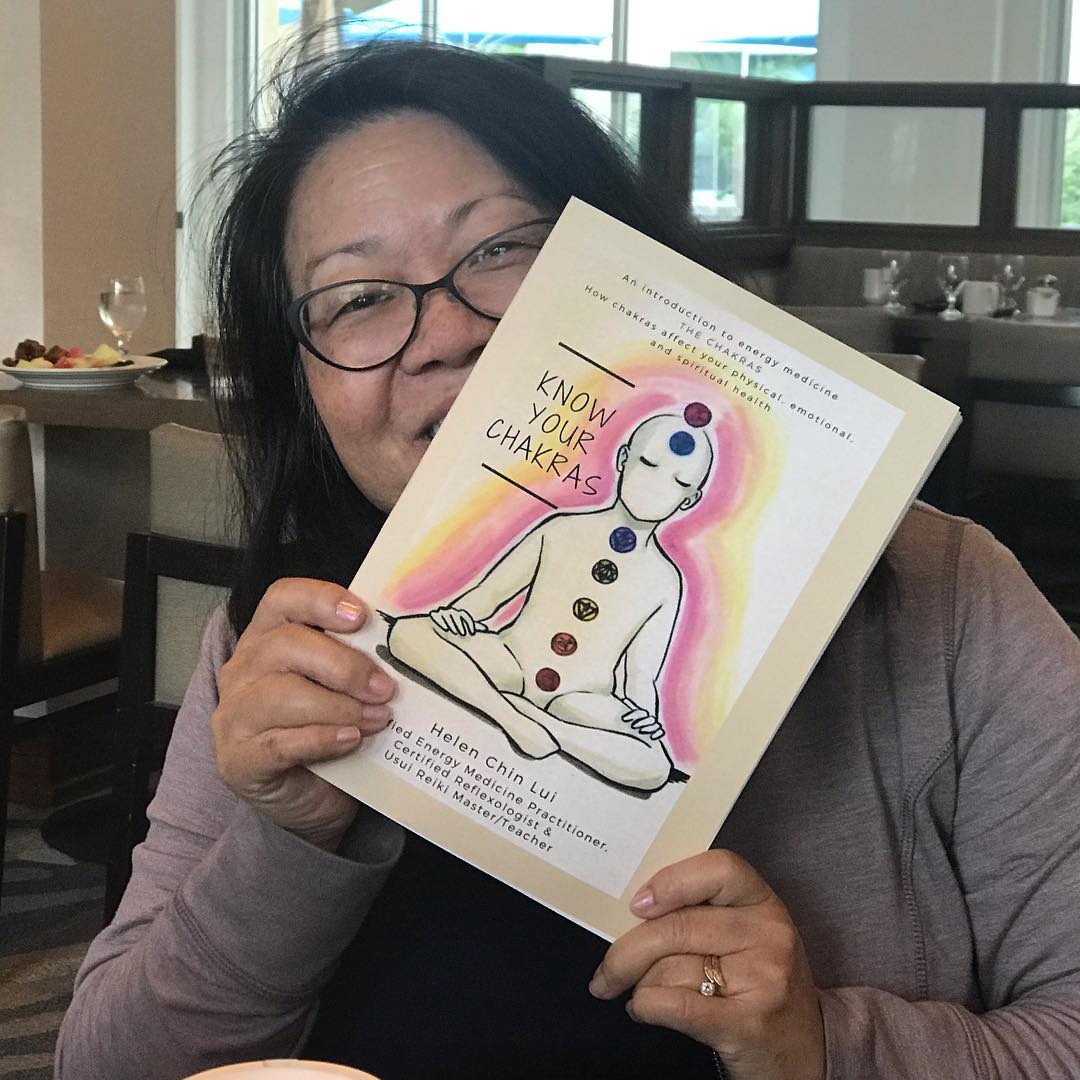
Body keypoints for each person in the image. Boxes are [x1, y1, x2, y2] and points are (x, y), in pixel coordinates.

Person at [56, 34, 1080, 1080]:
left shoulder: (947, 599)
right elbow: (104, 1066)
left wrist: (827, 1046)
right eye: (357, 298)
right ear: (305, 391)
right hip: (495, 672)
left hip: (584, 718)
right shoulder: (297, 641)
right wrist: (286, 839)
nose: (445, 332)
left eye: (501, 248)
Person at [386, 408, 716, 792]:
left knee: (653, 766)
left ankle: (545, 726)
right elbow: (488, 597)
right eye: (648, 464)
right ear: (624, 459)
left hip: (581, 699)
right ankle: (511, 717)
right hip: (511, 661)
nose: (656, 485)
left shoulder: (665, 581)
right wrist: (457, 615)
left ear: (689, 499)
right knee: (408, 633)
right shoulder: (561, 528)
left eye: (678, 482)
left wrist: (643, 716)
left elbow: (641, 673)